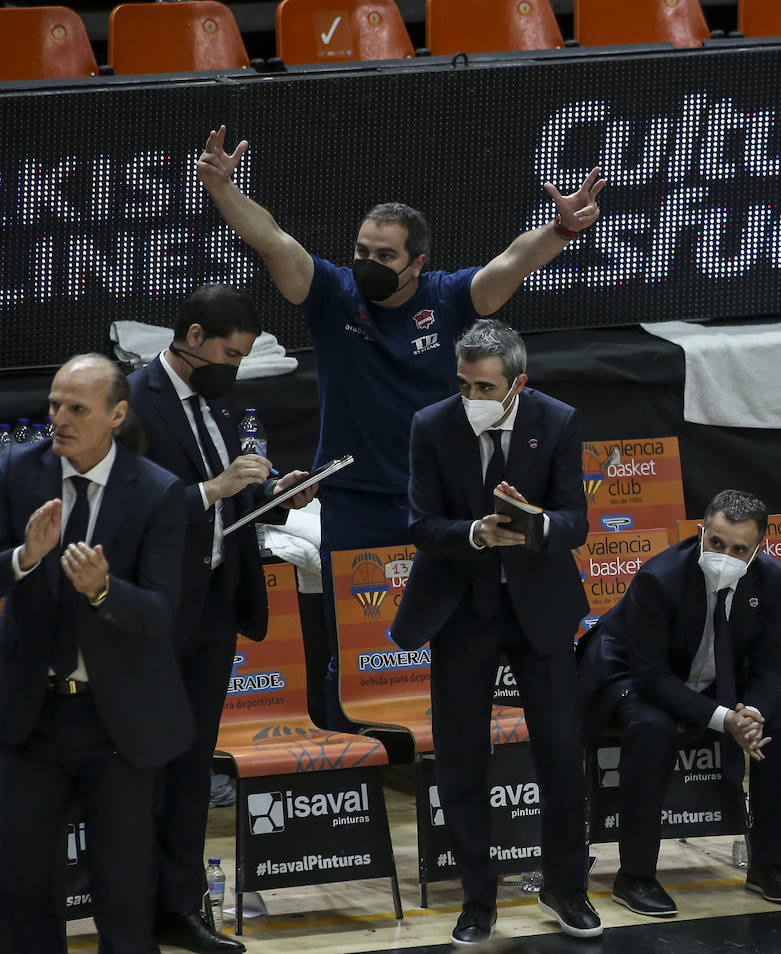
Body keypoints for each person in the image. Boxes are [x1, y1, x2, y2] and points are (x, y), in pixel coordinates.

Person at [196, 125, 605, 728]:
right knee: (354, 649)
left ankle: (441, 751)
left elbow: (511, 260)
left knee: (450, 636)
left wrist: (562, 229)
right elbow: (274, 243)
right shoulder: (333, 294)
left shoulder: (448, 298)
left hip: (437, 502)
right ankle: (353, 751)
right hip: (356, 501)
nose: (367, 264)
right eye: (362, 251)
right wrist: (222, 189)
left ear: (417, 262)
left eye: (384, 256)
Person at [389, 320, 599, 945]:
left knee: (561, 751)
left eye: (485, 387)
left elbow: (576, 523)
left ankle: (566, 888)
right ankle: (478, 899)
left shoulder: (557, 420)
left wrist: (536, 524)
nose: (471, 398)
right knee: (460, 759)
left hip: (538, 605)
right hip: (462, 607)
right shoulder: (432, 425)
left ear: (518, 384)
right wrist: (475, 533)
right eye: (463, 385)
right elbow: (422, 524)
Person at [129, 285, 317, 953]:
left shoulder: (218, 403)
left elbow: (228, 501)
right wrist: (216, 489)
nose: (234, 367)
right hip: (154, 613)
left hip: (213, 606)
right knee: (147, 765)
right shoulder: (135, 401)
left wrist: (274, 495)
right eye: (230, 354)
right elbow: (129, 510)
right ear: (196, 334)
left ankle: (181, 906)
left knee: (191, 767)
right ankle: (134, 905)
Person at [0, 355, 191, 954]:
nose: (58, 418)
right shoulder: (12, 470)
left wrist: (104, 590)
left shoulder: (159, 492)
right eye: (54, 404)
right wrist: (22, 559)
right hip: (29, 717)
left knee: (124, 894)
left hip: (119, 726)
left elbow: (161, 615)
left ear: (117, 414)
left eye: (76, 408)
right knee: (23, 890)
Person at [579, 490, 781, 917]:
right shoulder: (660, 578)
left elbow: (772, 664)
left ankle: (769, 865)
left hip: (713, 676)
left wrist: (751, 714)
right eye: (716, 543)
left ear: (757, 550)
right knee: (652, 727)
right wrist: (725, 720)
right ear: (702, 532)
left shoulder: (772, 576)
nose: (725, 555)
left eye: (739, 549)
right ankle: (636, 876)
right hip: (631, 673)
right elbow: (652, 678)